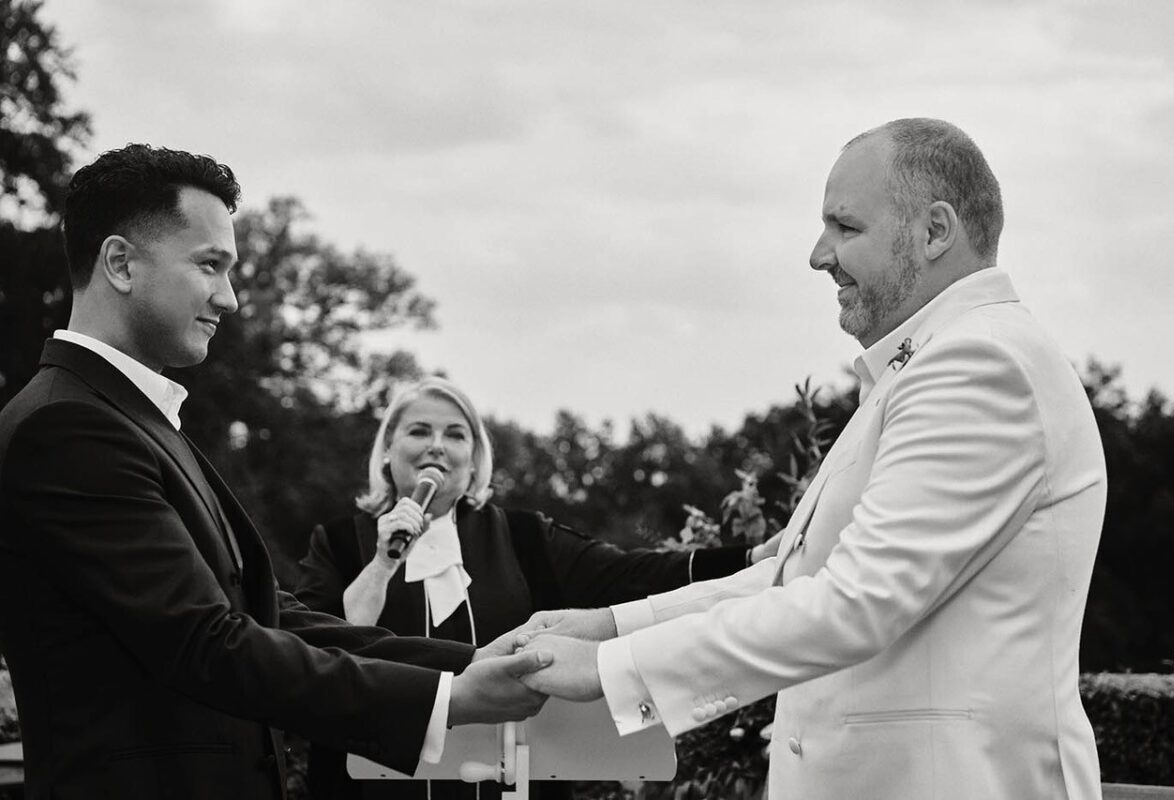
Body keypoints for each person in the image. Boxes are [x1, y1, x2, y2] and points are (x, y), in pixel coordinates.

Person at [517, 118, 1107, 800]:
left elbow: (856, 600)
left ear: (935, 231)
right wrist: (610, 626)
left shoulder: (978, 365)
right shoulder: (928, 365)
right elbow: (795, 579)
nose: (818, 255)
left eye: (845, 227)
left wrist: (610, 669)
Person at [0, 144, 552, 800]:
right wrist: (448, 700)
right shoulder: (67, 428)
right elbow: (206, 642)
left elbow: (263, 614)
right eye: (210, 265)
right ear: (120, 263)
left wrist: (468, 661)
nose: (230, 299)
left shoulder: (128, 418)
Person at [294, 375, 777, 799]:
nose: (436, 445)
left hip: (513, 782)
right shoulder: (339, 542)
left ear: (475, 459)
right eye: (419, 431)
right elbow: (316, 649)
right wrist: (383, 562)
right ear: (387, 450)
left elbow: (629, 573)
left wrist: (750, 560)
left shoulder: (523, 538)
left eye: (455, 434)